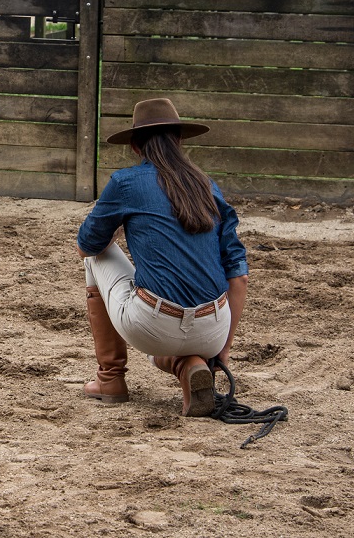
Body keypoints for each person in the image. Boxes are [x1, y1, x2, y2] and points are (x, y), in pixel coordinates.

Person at [76, 98, 249, 417]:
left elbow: (87, 244)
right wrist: (221, 354)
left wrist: (113, 234)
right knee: (168, 348)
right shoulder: (207, 186)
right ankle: (190, 367)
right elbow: (239, 277)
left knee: (95, 258)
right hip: (213, 329)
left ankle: (110, 379)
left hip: (153, 323)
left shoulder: (125, 182)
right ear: (179, 140)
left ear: (135, 147)